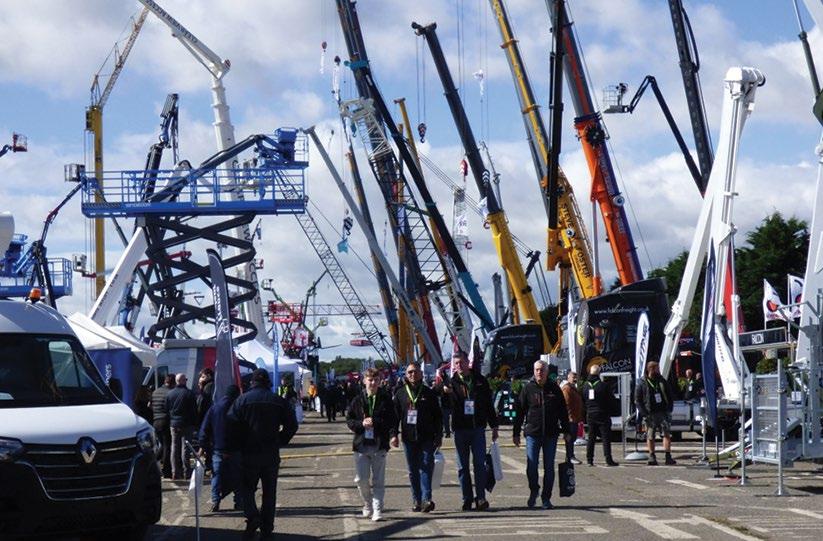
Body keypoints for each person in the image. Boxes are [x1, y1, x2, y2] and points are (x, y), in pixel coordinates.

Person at [229, 369, 298, 540]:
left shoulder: (241, 400)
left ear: (252, 383)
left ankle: (252, 517)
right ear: (268, 382)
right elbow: (292, 424)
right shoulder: (277, 401)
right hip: (270, 453)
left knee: (246, 489)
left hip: (249, 453)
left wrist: (238, 445)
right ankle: (267, 529)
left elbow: (230, 424)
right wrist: (280, 440)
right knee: (269, 493)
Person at [441, 351, 499, 511]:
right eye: (456, 363)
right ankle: (467, 498)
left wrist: (494, 426)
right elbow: (445, 407)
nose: (459, 366)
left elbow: (488, 405)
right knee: (462, 466)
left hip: (477, 428)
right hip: (460, 429)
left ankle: (480, 497)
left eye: (461, 362)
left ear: (468, 362)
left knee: (479, 464)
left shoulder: (480, 380)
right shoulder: (451, 382)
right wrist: (445, 393)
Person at [513, 360, 569, 510]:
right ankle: (534, 490)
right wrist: (516, 433)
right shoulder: (528, 388)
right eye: (537, 370)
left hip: (551, 434)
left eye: (542, 370)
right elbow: (520, 412)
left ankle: (546, 497)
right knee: (531, 466)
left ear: (547, 372)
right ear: (534, 371)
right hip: (533, 433)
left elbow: (562, 411)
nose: (539, 372)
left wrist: (567, 431)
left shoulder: (554, 389)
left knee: (549, 467)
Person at [346, 368, 397, 522]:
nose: (373, 383)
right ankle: (367, 502)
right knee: (361, 479)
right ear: (364, 381)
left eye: (376, 380)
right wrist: (361, 424)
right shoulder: (357, 400)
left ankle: (377, 508)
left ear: (380, 381)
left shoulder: (386, 399)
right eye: (370, 380)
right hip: (361, 444)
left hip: (379, 444)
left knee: (378, 480)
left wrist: (392, 435)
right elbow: (350, 420)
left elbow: (392, 420)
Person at [392, 361, 442, 513]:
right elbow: (395, 417)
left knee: (426, 466)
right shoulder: (400, 393)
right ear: (406, 375)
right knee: (413, 470)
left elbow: (437, 416)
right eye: (410, 372)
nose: (413, 374)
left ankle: (427, 499)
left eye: (415, 371)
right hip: (408, 437)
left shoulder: (428, 393)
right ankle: (417, 500)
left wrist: (439, 435)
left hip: (427, 436)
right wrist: (394, 435)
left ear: (421, 373)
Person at [200, 384, 243, 512]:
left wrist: (203, 445)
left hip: (218, 448)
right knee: (237, 476)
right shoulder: (238, 408)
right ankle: (238, 501)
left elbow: (205, 428)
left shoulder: (215, 408)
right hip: (235, 448)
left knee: (216, 476)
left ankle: (215, 501)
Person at [635, 361, 677, 466]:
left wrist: (669, 408)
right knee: (650, 435)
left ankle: (668, 456)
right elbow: (638, 400)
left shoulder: (662, 381)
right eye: (657, 369)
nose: (659, 370)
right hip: (650, 413)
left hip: (663, 412)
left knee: (666, 434)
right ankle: (652, 456)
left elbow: (669, 395)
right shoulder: (642, 382)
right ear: (651, 369)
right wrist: (644, 413)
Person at [583, 364, 618, 466]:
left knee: (591, 437)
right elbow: (611, 400)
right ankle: (608, 459)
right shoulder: (603, 386)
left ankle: (589, 459)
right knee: (606, 437)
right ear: (599, 373)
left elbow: (583, 399)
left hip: (590, 413)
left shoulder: (585, 386)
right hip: (602, 413)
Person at [165, 373, 197, 480]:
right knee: (186, 448)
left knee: (174, 447)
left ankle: (175, 472)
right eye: (186, 379)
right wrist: (195, 424)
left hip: (174, 424)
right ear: (183, 381)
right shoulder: (189, 394)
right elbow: (194, 411)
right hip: (186, 424)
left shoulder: (169, 394)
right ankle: (187, 472)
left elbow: (166, 409)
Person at [151, 374, 176, 478]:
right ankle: (166, 470)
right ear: (173, 383)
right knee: (167, 446)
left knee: (161, 445)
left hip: (156, 421)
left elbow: (151, 406)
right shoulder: (170, 393)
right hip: (165, 421)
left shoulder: (155, 392)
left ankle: (152, 462)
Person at [560, 371, 584, 465]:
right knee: (569, 438)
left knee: (572, 438)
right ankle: (570, 456)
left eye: (576, 377)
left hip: (575, 417)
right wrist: (567, 417)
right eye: (573, 377)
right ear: (568, 378)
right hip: (570, 418)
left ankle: (570, 456)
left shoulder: (573, 388)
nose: (575, 379)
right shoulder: (567, 389)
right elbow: (566, 404)